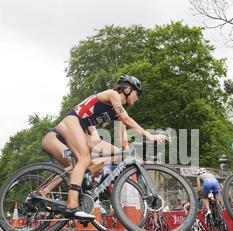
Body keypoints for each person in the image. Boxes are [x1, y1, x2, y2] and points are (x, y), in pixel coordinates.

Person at [49, 75, 169, 220]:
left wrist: (133, 157)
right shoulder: (113, 95)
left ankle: (87, 178)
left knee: (117, 154)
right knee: (85, 159)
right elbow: (126, 119)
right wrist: (149, 135)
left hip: (82, 131)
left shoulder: (116, 113)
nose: (137, 99)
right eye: (137, 94)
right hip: (72, 124)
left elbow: (123, 142)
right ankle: (72, 204)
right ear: (127, 89)